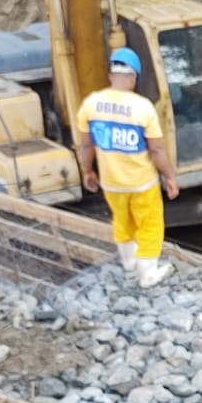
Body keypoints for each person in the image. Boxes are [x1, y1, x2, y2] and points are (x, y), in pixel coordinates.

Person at [75, 47, 181, 289]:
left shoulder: (91, 104)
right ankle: (148, 274)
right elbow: (156, 150)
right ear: (133, 78)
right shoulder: (142, 108)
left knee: (122, 221)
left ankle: (128, 262)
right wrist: (170, 177)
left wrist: (87, 171)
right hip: (142, 183)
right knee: (150, 224)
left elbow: (86, 144)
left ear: (111, 75)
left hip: (112, 183)